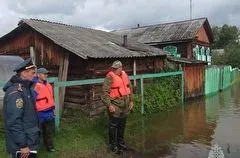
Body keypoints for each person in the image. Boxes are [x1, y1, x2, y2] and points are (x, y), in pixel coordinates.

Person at [3, 58, 40, 158]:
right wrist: (23, 145)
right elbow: (14, 121)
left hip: (29, 138)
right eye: (33, 73)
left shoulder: (25, 89)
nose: (35, 75)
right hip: (23, 144)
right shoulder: (16, 92)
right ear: (24, 73)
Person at [102, 60, 134, 155]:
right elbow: (104, 93)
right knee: (113, 125)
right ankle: (113, 145)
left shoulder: (125, 75)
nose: (115, 69)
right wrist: (109, 105)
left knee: (122, 125)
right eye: (114, 68)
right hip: (115, 105)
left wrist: (131, 101)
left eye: (117, 68)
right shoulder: (109, 77)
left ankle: (121, 144)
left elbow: (130, 88)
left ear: (121, 68)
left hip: (125, 105)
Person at [33, 68, 55, 152]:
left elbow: (50, 98)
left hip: (49, 112)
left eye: (46, 74)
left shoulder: (48, 84)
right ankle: (35, 149)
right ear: (38, 75)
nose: (46, 75)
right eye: (43, 74)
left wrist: (53, 109)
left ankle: (50, 147)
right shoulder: (36, 85)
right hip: (40, 113)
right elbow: (33, 99)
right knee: (37, 132)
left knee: (49, 131)